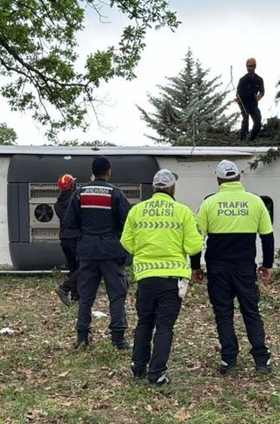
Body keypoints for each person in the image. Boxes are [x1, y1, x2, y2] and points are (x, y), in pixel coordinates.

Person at [191, 160, 275, 375]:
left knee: (223, 314)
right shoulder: (255, 202)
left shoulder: (209, 204)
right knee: (251, 312)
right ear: (239, 177)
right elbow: (267, 236)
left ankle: (229, 361)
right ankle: (262, 360)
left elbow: (196, 238)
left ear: (218, 180)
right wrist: (267, 264)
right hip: (245, 268)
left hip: (218, 269)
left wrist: (195, 267)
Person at [120, 169, 203, 387]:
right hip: (171, 279)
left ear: (153, 187)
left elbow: (126, 242)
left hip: (146, 277)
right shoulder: (183, 212)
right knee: (164, 326)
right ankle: (157, 373)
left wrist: (144, 250)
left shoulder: (137, 211)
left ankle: (138, 366)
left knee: (144, 322)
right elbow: (194, 246)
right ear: (173, 188)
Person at [63, 156, 132, 350]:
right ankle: (118, 339)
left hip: (87, 251)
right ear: (108, 172)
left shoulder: (79, 194)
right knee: (117, 294)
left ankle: (82, 337)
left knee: (86, 295)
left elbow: (70, 223)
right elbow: (127, 220)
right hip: (111, 251)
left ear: (93, 172)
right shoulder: (116, 193)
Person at [54, 173, 81, 306]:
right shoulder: (76, 199)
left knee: (73, 268)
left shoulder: (57, 204)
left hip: (64, 239)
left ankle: (76, 296)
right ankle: (65, 288)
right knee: (84, 266)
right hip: (76, 237)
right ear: (71, 185)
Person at [236, 58, 265, 141]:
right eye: (248, 66)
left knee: (258, 121)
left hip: (253, 103)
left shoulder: (259, 79)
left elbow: (262, 91)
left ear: (255, 67)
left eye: (251, 66)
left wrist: (260, 96)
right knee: (246, 118)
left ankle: (252, 138)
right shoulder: (243, 80)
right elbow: (238, 92)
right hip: (243, 102)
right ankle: (243, 138)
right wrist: (238, 98)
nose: (249, 68)